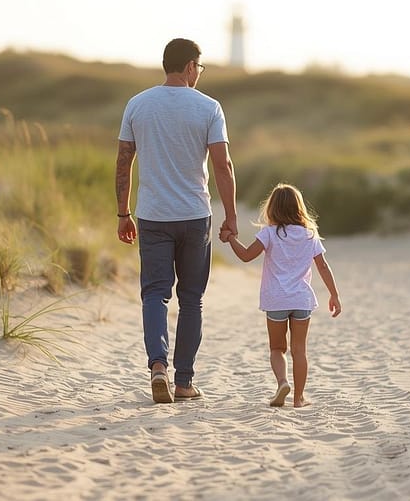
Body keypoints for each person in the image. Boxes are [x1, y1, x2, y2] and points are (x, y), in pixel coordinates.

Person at [115, 38, 238, 404]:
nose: (199, 73)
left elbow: (124, 161)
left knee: (154, 293)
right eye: (199, 67)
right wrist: (231, 217)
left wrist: (123, 213)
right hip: (195, 216)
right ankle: (183, 382)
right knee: (191, 300)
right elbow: (222, 165)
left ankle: (157, 367)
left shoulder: (137, 104)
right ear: (189, 67)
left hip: (152, 215)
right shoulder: (209, 108)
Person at [221, 183, 341, 408]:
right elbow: (323, 266)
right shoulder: (309, 234)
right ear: (299, 208)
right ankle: (299, 398)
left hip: (276, 299)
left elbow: (247, 256)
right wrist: (334, 294)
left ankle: (283, 382)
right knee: (299, 350)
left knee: (277, 348)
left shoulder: (269, 233)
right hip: (301, 300)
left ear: (272, 208)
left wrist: (230, 239)